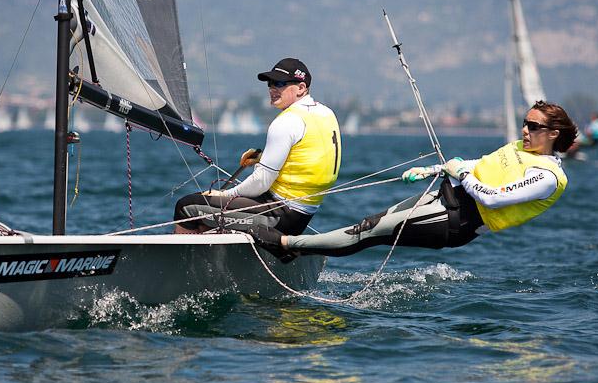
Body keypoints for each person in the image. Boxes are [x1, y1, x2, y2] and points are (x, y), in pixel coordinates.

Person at [250, 101, 576, 259]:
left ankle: (284, 245)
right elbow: (480, 165)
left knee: (368, 230)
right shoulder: (521, 148)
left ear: (553, 134)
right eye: (525, 123)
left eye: (533, 127)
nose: (524, 130)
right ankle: (295, 248)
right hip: (444, 196)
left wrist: (461, 172)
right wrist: (434, 170)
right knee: (372, 226)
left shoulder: (546, 177)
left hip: (457, 220)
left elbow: (491, 197)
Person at [173, 58, 341, 235]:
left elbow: (261, 182)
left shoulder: (287, 121)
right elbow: (312, 154)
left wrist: (226, 194)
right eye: (270, 83)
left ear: (301, 88)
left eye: (280, 83)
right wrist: (262, 158)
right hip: (303, 213)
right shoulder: (325, 113)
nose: (272, 89)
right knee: (208, 212)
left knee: (188, 207)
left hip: (280, 215)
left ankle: (178, 261)